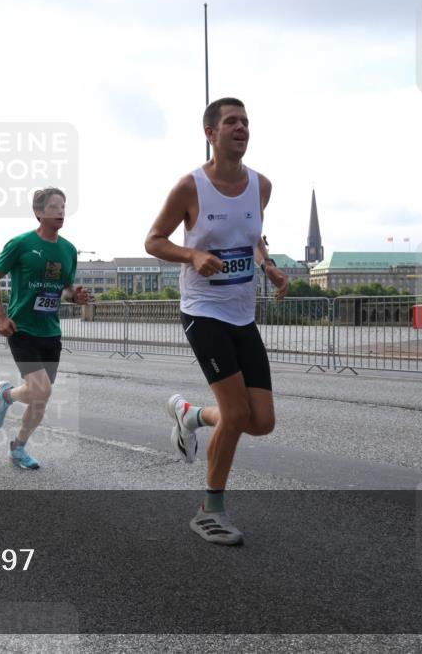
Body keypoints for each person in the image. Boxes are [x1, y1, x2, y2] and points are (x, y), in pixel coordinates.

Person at [144, 97, 289, 545]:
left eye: (245, 121)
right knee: (237, 412)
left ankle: (190, 415)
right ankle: (210, 509)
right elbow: (153, 240)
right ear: (211, 133)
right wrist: (191, 254)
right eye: (231, 122)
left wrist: (267, 265)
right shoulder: (190, 187)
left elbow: (253, 238)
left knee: (261, 420)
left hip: (242, 313)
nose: (241, 128)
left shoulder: (261, 186)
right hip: (203, 312)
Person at [0, 188, 89, 469]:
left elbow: (64, 289)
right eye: (54, 206)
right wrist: (0, 316)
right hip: (22, 327)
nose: (60, 211)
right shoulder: (21, 244)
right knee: (41, 389)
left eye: (64, 206)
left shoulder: (68, 249)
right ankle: (6, 395)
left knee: (40, 398)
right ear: (39, 212)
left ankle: (18, 447)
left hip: (50, 331)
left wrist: (74, 296)